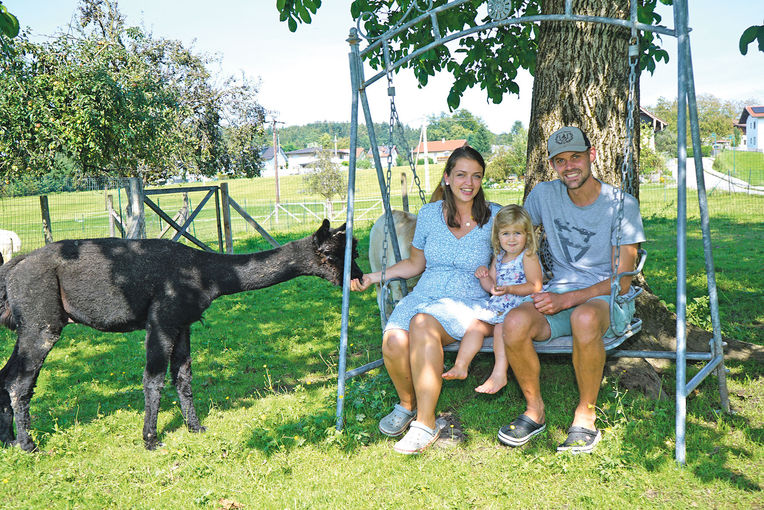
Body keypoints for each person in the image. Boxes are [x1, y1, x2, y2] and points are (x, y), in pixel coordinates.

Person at [497, 126, 645, 454]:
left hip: (606, 300)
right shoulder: (543, 196)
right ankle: (535, 411)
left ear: (591, 155)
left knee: (584, 318)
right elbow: (510, 225)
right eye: (560, 161)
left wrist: (566, 298)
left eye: (576, 157)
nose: (569, 166)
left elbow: (622, 280)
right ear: (552, 165)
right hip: (559, 291)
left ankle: (585, 416)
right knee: (514, 322)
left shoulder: (621, 205)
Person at [350, 146, 500, 455]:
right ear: (447, 178)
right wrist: (374, 277)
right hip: (425, 293)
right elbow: (415, 265)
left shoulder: (494, 216)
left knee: (422, 324)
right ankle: (407, 403)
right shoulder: (430, 215)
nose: (468, 183)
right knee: (392, 342)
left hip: (467, 299)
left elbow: (507, 261)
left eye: (476, 176)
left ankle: (425, 422)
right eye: (460, 175)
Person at [442, 204, 543, 394]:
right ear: (497, 236)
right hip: (498, 307)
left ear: (527, 235)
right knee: (475, 325)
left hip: (521, 307)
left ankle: (499, 373)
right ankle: (461, 365)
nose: (511, 239)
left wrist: (510, 288)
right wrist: (484, 277)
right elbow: (492, 287)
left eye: (517, 233)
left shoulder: (527, 256)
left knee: (499, 329)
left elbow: (535, 285)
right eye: (505, 234)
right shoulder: (499, 257)